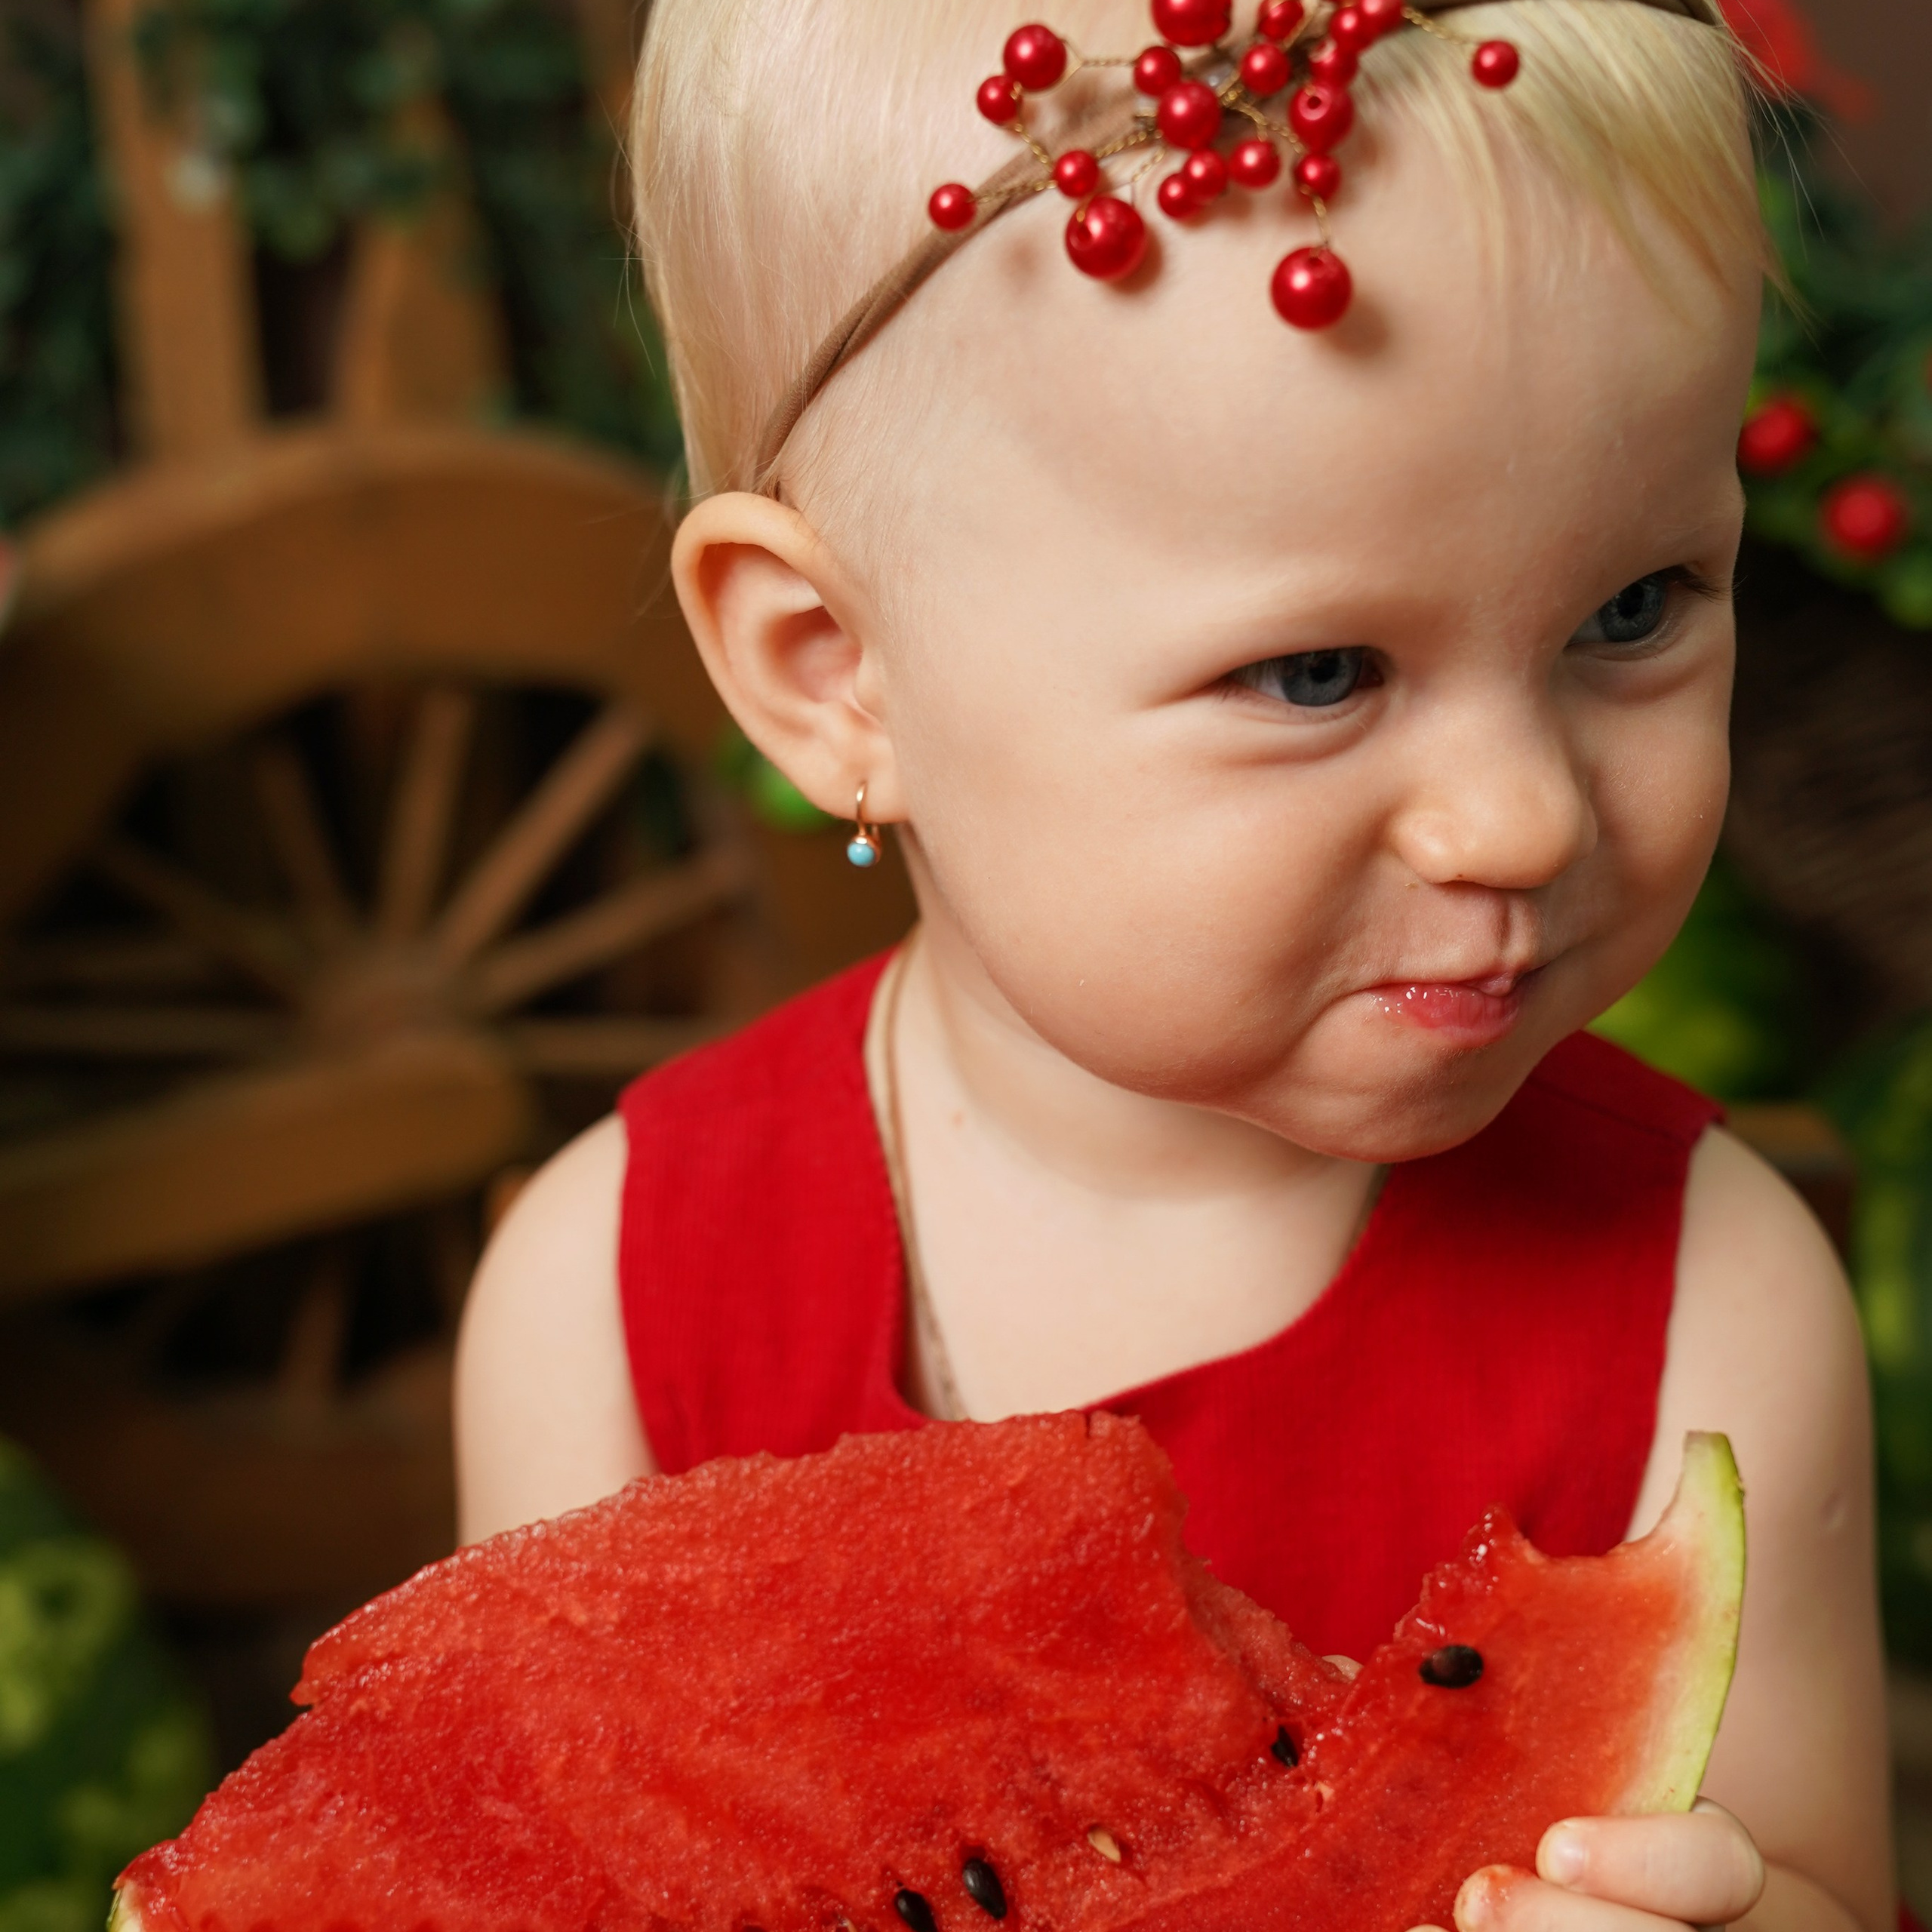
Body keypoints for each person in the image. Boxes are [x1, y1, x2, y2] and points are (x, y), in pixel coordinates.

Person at [455, 4, 1893, 1930]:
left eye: (1632, 608)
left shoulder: (1716, 1295)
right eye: (1316, 671)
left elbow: (1818, 1884)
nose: (1519, 816)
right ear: (831, 674)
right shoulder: (605, 1298)